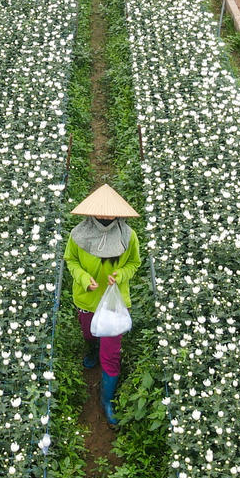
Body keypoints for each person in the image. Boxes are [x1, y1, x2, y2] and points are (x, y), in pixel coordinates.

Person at [64, 183, 140, 427]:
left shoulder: (128, 236)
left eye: (111, 212)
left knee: (111, 353)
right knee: (89, 332)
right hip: (87, 299)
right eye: (102, 212)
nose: (107, 216)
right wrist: (84, 279)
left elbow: (134, 264)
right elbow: (71, 261)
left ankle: (106, 399)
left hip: (114, 305)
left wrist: (120, 275)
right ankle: (90, 350)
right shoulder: (78, 234)